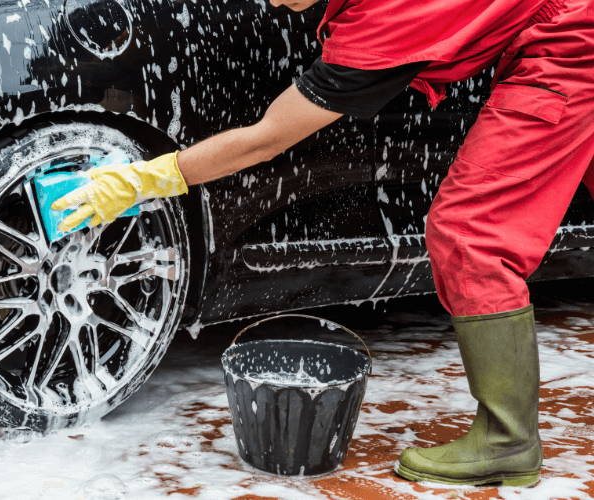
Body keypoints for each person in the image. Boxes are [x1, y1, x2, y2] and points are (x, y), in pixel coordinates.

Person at [51, 0, 594, 487]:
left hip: (571, 45)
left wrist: (146, 179)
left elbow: (266, 139)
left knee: (470, 232)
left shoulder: (381, 24)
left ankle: (509, 440)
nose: (270, 3)